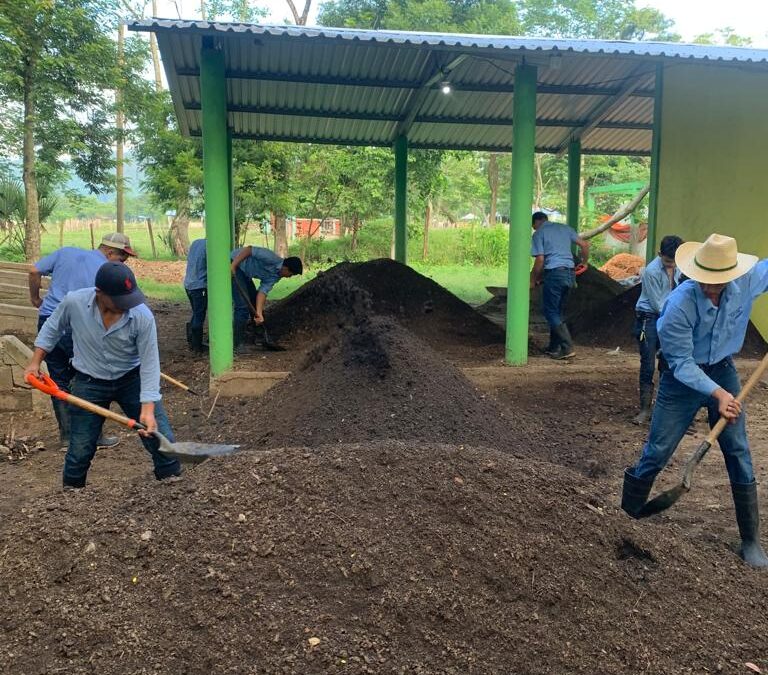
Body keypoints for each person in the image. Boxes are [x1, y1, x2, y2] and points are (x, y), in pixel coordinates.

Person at [622, 234, 768, 567]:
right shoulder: (679, 304)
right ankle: (626, 516)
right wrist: (718, 394)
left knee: (738, 450)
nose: (710, 288)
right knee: (658, 449)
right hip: (681, 379)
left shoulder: (746, 281)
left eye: (717, 283)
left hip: (723, 368)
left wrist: (722, 388)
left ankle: (750, 541)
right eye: (705, 281)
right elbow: (681, 363)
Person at [25, 262, 182, 489]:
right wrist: (34, 363)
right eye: (120, 300)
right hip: (88, 382)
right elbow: (52, 329)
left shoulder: (141, 316)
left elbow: (149, 363)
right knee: (80, 447)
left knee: (160, 437)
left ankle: (173, 487)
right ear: (100, 293)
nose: (126, 305)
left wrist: (147, 409)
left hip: (132, 379)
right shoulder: (74, 302)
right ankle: (71, 497)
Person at [28, 233, 138, 450]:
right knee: (89, 377)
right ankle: (93, 436)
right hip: (78, 325)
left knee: (59, 379)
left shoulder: (65, 252)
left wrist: (34, 298)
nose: (122, 265)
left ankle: (67, 437)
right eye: (121, 259)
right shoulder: (105, 271)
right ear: (109, 252)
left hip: (49, 321)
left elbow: (33, 270)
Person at [632, 235, 684, 424]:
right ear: (659, 254)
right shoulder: (651, 271)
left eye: (674, 261)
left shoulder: (681, 267)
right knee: (647, 365)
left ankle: (665, 410)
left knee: (668, 364)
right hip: (650, 317)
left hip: (670, 317)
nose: (671, 266)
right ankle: (645, 410)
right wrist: (680, 319)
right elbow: (658, 305)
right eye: (668, 261)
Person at [530, 212, 590, 359]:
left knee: (550, 311)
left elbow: (540, 260)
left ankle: (567, 347)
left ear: (536, 222)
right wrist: (584, 262)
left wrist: (532, 280)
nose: (534, 228)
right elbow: (584, 244)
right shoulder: (565, 228)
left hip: (554, 274)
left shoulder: (539, 233)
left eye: (533, 226)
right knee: (557, 311)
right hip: (570, 274)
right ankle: (553, 347)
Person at [230, 245, 303, 348]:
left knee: (255, 304)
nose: (289, 277)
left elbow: (262, 292)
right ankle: (236, 343)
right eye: (290, 274)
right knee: (242, 306)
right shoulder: (271, 258)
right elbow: (249, 250)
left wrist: (259, 313)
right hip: (234, 263)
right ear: (285, 268)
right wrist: (233, 265)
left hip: (245, 273)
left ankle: (259, 337)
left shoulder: (276, 276)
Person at [183, 238, 207, 353]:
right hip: (199, 286)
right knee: (199, 315)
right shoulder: (211, 248)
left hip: (188, 284)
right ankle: (197, 346)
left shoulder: (196, 242)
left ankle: (191, 340)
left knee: (196, 313)